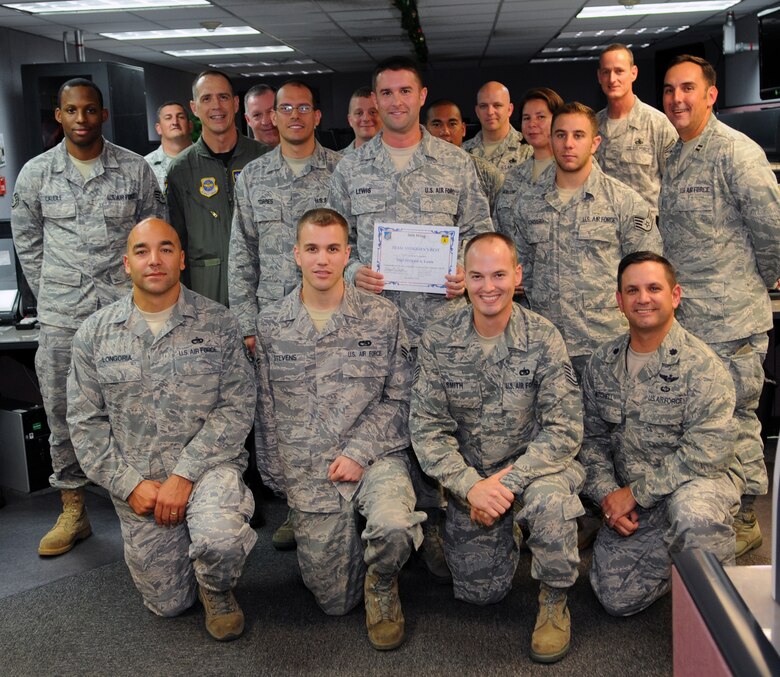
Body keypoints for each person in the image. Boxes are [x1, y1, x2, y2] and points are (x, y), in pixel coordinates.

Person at [328, 56, 493, 581]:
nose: (396, 101)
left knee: (445, 425)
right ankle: (388, 520)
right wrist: (354, 269)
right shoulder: (349, 168)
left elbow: (478, 233)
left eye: (405, 91)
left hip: (443, 327)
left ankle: (441, 522)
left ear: (422, 97)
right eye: (386, 93)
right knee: (382, 423)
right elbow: (337, 242)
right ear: (373, 101)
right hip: (372, 331)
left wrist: (466, 273)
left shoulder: (455, 163)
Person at [67, 218, 257, 640]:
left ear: (182, 259)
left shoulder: (218, 323)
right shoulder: (95, 334)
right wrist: (129, 483)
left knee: (220, 539)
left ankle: (218, 587)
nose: (155, 260)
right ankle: (184, 566)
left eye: (166, 249)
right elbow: (85, 423)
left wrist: (185, 473)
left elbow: (237, 405)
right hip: (141, 486)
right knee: (168, 605)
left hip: (208, 469)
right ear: (126, 264)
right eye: (142, 251)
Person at [410, 232, 584, 664]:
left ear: (517, 276)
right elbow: (428, 430)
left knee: (549, 504)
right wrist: (471, 487)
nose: (489, 287)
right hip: (472, 478)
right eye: (478, 276)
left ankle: (553, 598)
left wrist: (506, 485)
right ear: (463, 280)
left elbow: (564, 428)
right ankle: (492, 530)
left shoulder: (543, 336)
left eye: (500, 274)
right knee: (480, 595)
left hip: (535, 468)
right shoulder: (439, 336)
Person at [255, 208, 423, 650]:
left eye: (333, 249)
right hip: (310, 470)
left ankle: (383, 584)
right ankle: (350, 569)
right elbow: (266, 408)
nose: (322, 260)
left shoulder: (382, 317)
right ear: (296, 254)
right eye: (312, 249)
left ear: (348, 254)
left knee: (394, 527)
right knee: (333, 603)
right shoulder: (272, 324)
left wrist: (360, 451)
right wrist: (280, 480)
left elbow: (402, 399)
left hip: (375, 458)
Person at [11, 78, 164, 557]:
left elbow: (153, 235)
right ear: (59, 116)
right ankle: (73, 508)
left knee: (137, 404)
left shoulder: (134, 169)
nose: (81, 119)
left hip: (126, 310)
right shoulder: (36, 174)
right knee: (62, 409)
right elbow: (28, 241)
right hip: (63, 316)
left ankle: (145, 497)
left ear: (103, 114)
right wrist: (54, 291)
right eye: (71, 111)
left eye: (90, 110)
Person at [659, 54, 780, 557]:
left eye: (687, 88)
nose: (676, 99)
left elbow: (772, 229)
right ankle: (711, 509)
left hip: (730, 321)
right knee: (703, 421)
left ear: (710, 94)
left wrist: (756, 281)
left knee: (736, 420)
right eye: (668, 90)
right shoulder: (675, 153)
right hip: (687, 321)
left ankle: (747, 515)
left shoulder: (737, 152)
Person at [581, 251, 741, 615]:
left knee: (694, 516)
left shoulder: (702, 366)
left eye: (654, 288)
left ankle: (719, 609)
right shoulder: (601, 364)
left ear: (675, 295)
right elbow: (590, 441)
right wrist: (609, 497)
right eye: (632, 290)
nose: (643, 298)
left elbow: (707, 453)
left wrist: (635, 494)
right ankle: (679, 558)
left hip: (695, 485)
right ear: (619, 301)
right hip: (632, 496)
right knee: (615, 597)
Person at [229, 80, 342, 550]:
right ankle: (301, 507)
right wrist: (247, 323)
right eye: (284, 108)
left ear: (317, 116)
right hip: (277, 326)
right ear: (271, 117)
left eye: (304, 108)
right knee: (287, 423)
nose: (294, 115)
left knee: (338, 412)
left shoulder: (343, 171)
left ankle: (345, 504)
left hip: (336, 319)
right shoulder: (252, 177)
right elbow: (242, 254)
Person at [507, 101, 662, 377]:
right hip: (547, 347)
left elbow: (648, 278)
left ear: (595, 143)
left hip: (607, 347)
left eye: (579, 135)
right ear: (551, 140)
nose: (568, 144)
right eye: (561, 135)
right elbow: (523, 275)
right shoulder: (527, 203)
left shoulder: (624, 202)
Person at [166, 70, 270, 306]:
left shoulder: (265, 160)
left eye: (223, 97)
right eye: (206, 99)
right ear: (194, 107)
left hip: (263, 295)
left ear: (235, 104)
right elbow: (174, 242)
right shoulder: (181, 170)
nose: (216, 106)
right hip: (206, 299)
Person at [594, 44, 677, 212]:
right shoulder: (591, 126)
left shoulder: (657, 124)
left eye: (619, 71)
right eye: (606, 72)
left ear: (633, 73)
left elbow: (676, 184)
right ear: (599, 76)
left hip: (646, 230)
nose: (612, 79)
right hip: (602, 229)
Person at [494, 87, 563, 241]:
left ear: (559, 120)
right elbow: (498, 228)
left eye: (541, 117)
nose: (532, 124)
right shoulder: (513, 177)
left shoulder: (570, 172)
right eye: (526, 118)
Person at [425, 98, 504, 212]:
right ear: (425, 130)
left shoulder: (486, 173)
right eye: (437, 124)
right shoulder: (412, 170)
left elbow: (504, 223)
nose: (445, 131)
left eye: (452, 124)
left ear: (463, 129)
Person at [462, 81, 533, 171]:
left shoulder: (528, 150)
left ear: (509, 110)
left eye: (497, 105)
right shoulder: (463, 152)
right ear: (477, 111)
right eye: (483, 106)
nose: (490, 112)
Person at [144, 101, 193, 191]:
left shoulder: (208, 160)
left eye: (180, 117)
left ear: (190, 125)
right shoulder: (144, 166)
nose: (175, 122)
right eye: (168, 118)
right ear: (158, 128)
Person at [342, 86, 382, 155]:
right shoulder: (336, 162)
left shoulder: (400, 158)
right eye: (359, 113)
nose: (366, 118)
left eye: (373, 112)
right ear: (350, 120)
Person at [244, 83, 280, 148]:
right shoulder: (241, 158)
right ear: (248, 120)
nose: (265, 122)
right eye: (257, 115)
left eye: (271, 112)